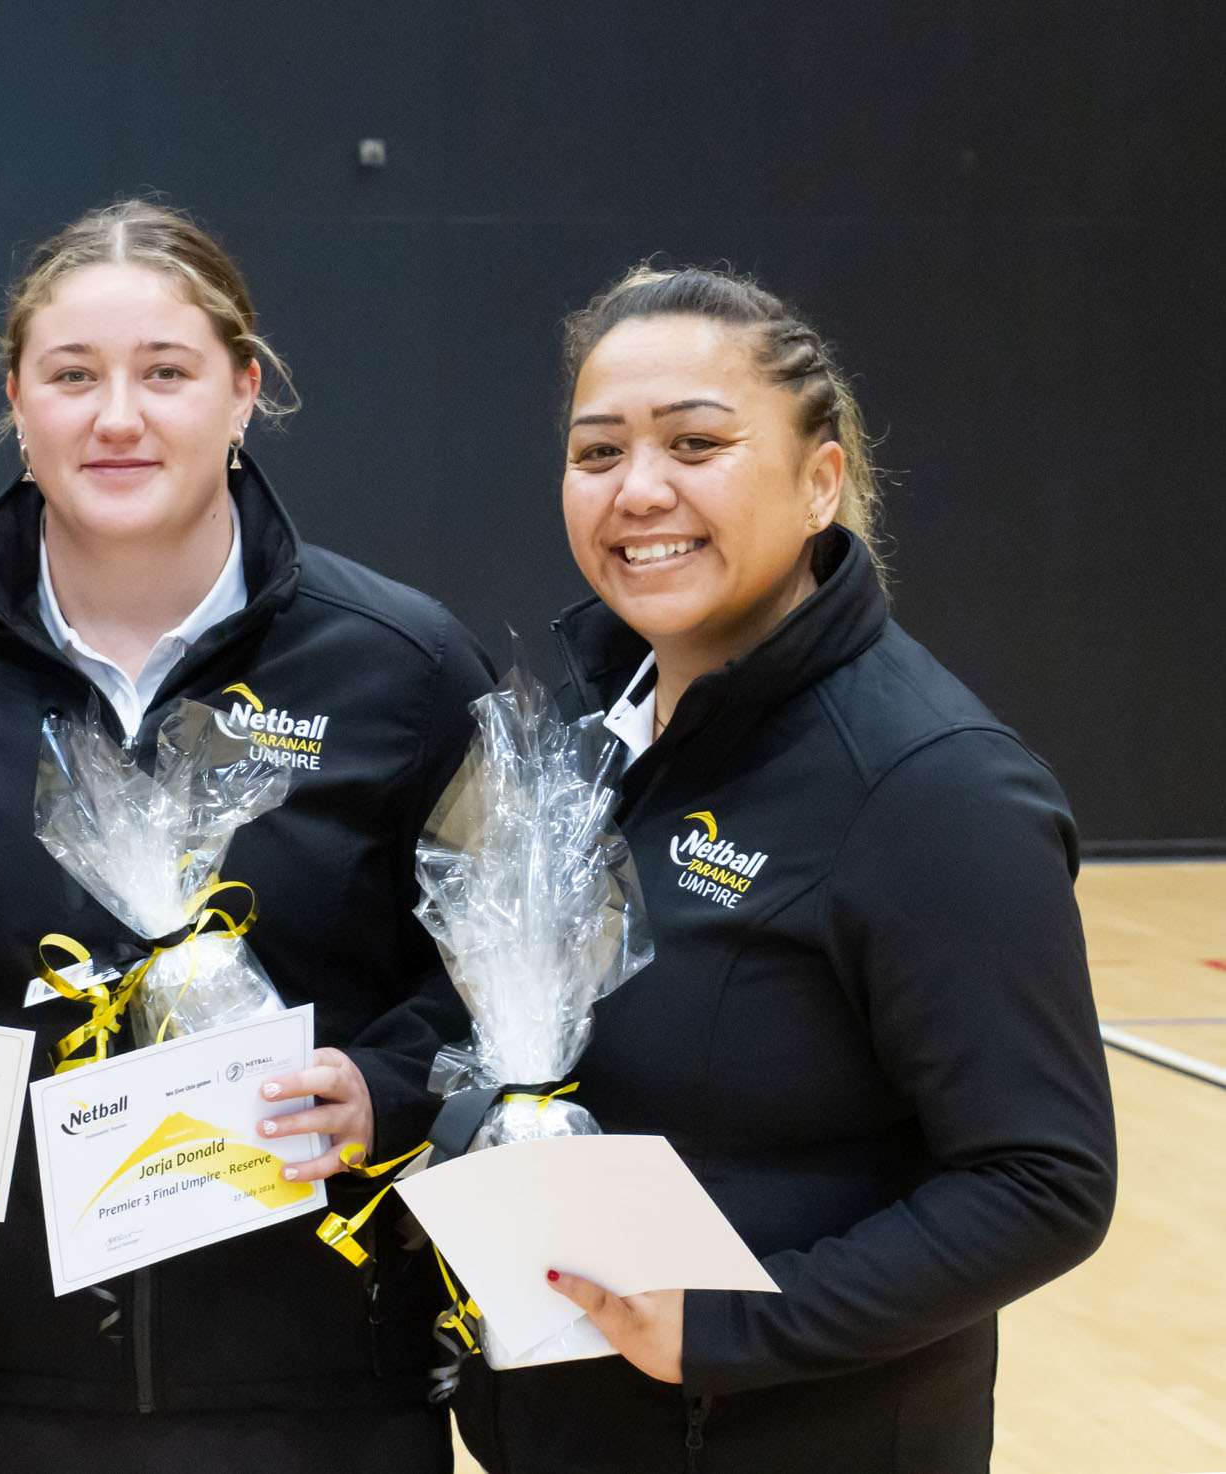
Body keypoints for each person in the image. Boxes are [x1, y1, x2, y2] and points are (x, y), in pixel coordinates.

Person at [0, 200, 494, 1472]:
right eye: (72, 376)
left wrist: (380, 1088)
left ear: (244, 391)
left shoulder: (399, 665)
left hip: (315, 1396)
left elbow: (494, 992)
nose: (116, 417)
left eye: (164, 373)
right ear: (17, 400)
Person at [451, 264, 1118, 1472]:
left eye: (695, 443)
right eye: (595, 453)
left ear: (820, 482)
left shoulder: (932, 786)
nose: (637, 488)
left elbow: (1042, 1180)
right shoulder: (583, 726)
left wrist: (735, 1324)